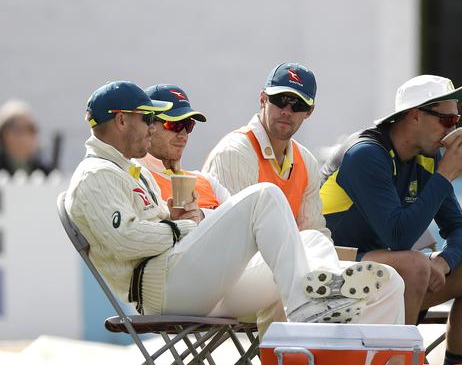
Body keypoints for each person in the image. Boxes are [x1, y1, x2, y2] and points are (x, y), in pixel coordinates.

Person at [66, 81, 404, 337]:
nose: (152, 127)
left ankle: (327, 315)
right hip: (163, 291)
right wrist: (186, 226)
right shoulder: (96, 175)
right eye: (148, 119)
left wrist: (177, 220)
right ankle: (307, 307)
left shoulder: (125, 169)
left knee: (318, 243)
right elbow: (126, 241)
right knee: (265, 195)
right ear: (122, 120)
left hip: (194, 283)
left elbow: (147, 231)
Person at [320, 75, 462, 365]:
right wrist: (444, 177)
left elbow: (460, 231)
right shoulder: (366, 154)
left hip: (381, 275)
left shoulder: (427, 157)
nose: (453, 130)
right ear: (415, 116)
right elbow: (399, 237)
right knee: (414, 264)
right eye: (448, 120)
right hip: (330, 276)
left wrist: (443, 263)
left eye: (456, 120)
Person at [202, 63, 329, 237]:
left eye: (298, 105)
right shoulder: (234, 152)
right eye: (280, 100)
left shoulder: (307, 162)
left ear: (309, 112)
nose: (287, 111)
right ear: (263, 99)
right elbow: (235, 237)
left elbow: (314, 234)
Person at [0, 99, 52, 175]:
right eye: (30, 129)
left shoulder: (44, 169)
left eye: (34, 129)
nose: (35, 135)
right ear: (7, 134)